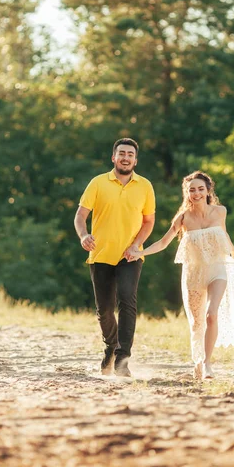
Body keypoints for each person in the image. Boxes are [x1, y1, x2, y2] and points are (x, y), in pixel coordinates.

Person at [128, 171, 234, 380]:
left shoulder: (220, 211)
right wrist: (139, 252)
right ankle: (198, 360)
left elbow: (224, 234)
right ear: (187, 193)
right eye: (191, 190)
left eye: (200, 189)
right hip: (193, 274)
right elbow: (163, 242)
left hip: (217, 270)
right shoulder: (183, 218)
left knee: (211, 314)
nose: (196, 193)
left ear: (208, 191)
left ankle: (207, 363)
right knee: (197, 323)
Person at [74, 138, 156, 378]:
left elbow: (148, 222)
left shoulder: (145, 186)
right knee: (105, 310)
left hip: (130, 256)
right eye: (121, 153)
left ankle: (122, 360)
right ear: (113, 157)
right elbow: (80, 216)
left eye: (130, 154)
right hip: (100, 254)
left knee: (128, 302)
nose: (126, 157)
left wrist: (136, 245)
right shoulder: (98, 183)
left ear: (135, 160)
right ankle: (110, 347)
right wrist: (83, 236)